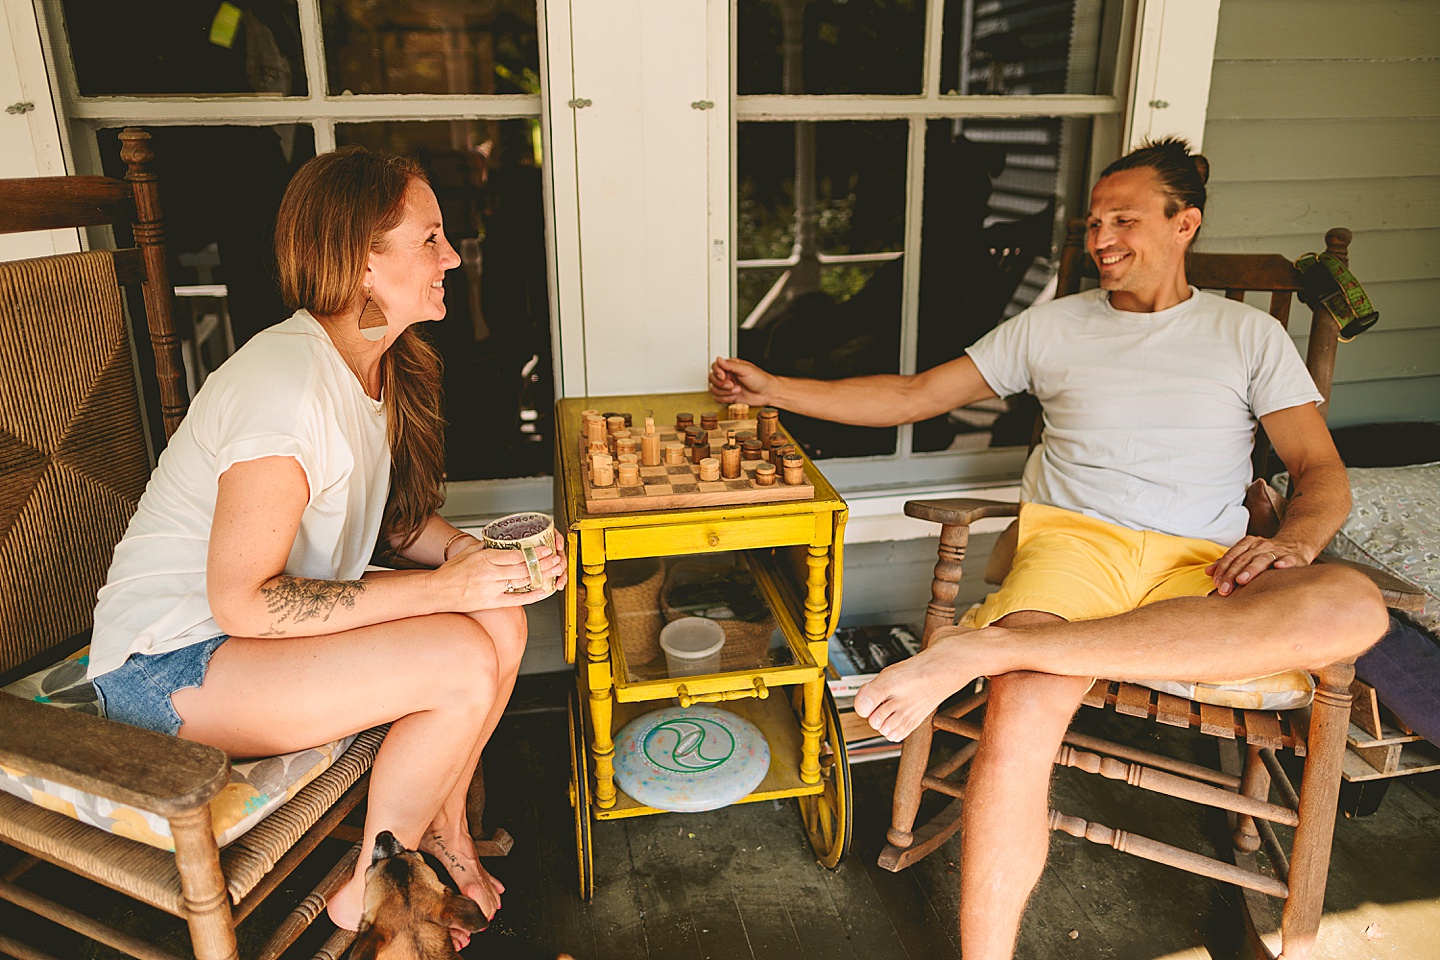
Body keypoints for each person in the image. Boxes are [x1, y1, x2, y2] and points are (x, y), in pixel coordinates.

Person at [711, 138, 1388, 959]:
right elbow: (916, 395)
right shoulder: (1053, 326)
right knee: (1024, 703)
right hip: (1075, 543)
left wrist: (1296, 544)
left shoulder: (1245, 335)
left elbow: (1321, 473)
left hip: (1202, 563)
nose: (1101, 239)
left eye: (1124, 221)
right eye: (1095, 222)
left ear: (1186, 224)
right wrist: (775, 389)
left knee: (1352, 604)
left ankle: (990, 648)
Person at [87, 146, 565, 943]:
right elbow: (241, 599)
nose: (452, 255)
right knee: (458, 659)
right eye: (430, 238)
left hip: (254, 645)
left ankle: (441, 840)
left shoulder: (376, 366)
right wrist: (449, 590)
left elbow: (392, 521)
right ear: (360, 262)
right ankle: (374, 892)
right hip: (170, 665)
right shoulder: (285, 385)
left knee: (502, 622)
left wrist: (476, 565)